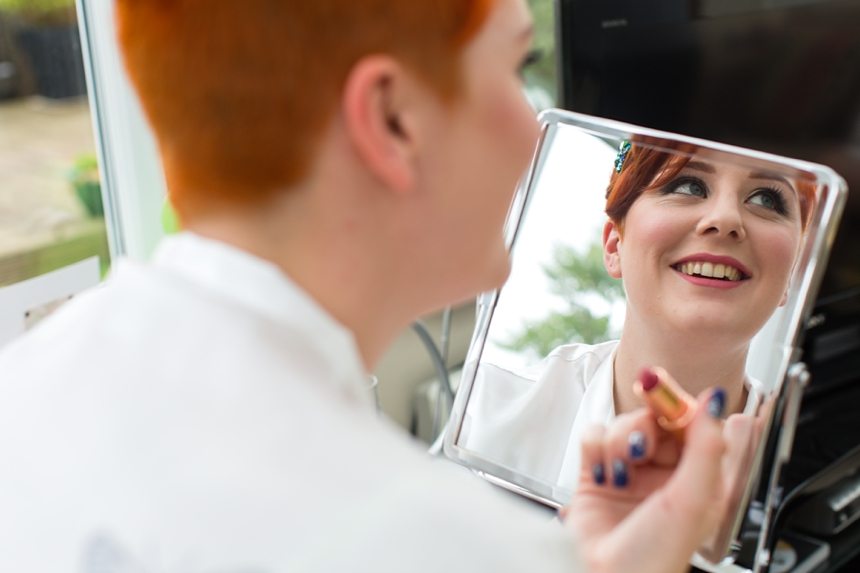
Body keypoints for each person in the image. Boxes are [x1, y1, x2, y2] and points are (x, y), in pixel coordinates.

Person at [0, 1, 728, 572]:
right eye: (517, 66)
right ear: (391, 119)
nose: (536, 131)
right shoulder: (452, 547)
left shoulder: (22, 389)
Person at [459, 138, 816, 491]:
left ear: (792, 276)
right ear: (615, 245)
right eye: (689, 185)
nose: (724, 219)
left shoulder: (815, 471)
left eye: (765, 198)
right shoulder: (485, 415)